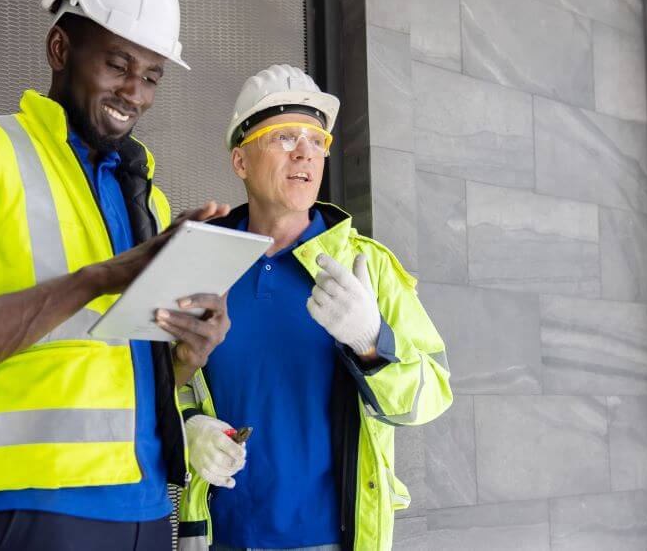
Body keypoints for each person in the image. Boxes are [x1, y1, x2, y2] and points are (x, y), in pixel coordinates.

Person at [0, 0, 231, 550]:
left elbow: (117, 365)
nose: (135, 91)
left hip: (150, 508)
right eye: (118, 64)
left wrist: (185, 355)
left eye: (151, 75)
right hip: (23, 512)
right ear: (60, 50)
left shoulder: (141, 192)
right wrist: (96, 278)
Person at [175, 65, 453, 550]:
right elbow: (153, 380)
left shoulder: (368, 267)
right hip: (222, 539)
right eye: (283, 137)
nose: (306, 152)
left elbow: (432, 396)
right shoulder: (202, 265)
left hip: (329, 540)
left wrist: (372, 344)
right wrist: (187, 432)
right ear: (240, 161)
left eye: (316, 140)